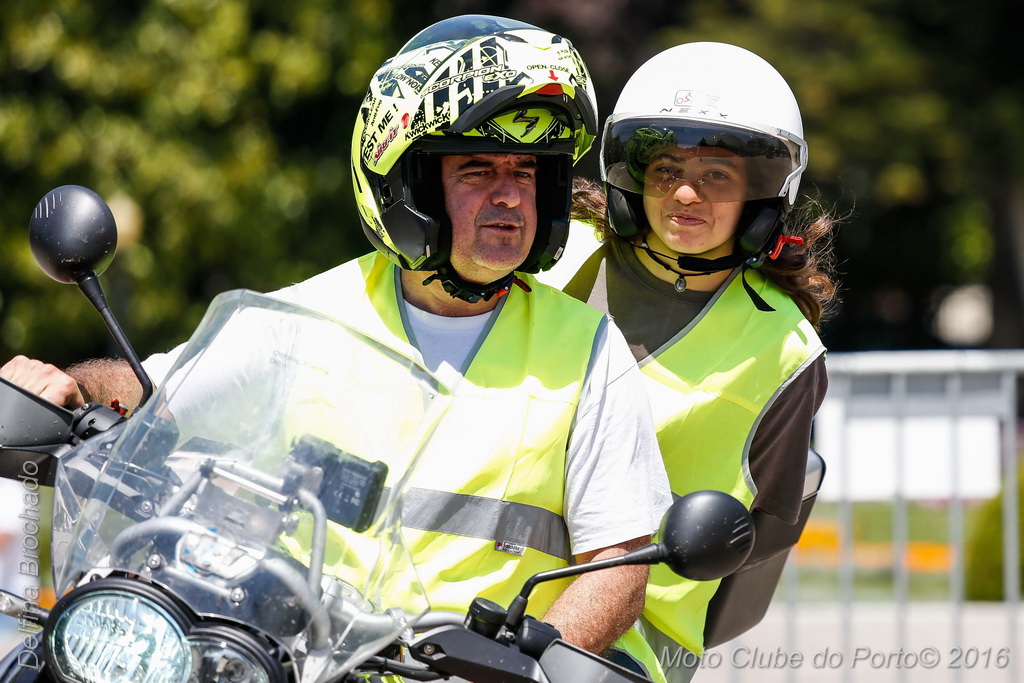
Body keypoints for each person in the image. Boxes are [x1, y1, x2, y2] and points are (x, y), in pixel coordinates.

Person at [1, 15, 672, 678]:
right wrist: (72, 390)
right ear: (407, 183)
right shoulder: (300, 318)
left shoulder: (588, 348)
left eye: (526, 172)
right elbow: (156, 397)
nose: (509, 196)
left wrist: (521, 673)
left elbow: (615, 568)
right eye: (476, 169)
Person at [539, 42, 837, 681]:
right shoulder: (555, 259)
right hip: (490, 610)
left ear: (762, 193)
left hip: (632, 650)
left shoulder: (786, 348)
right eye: (665, 168)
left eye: (717, 176)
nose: (684, 193)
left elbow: (762, 542)